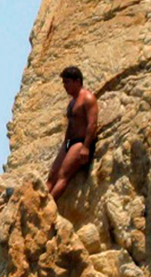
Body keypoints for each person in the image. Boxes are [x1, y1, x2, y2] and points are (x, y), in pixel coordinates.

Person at [46, 65, 98, 200]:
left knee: (63, 175)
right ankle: (39, 203)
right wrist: (65, 144)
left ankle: (48, 205)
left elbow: (92, 124)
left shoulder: (88, 98)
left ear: (77, 81)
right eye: (64, 82)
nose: (65, 86)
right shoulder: (72, 102)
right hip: (69, 142)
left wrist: (86, 147)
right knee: (52, 175)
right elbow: (70, 125)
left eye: (67, 82)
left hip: (80, 142)